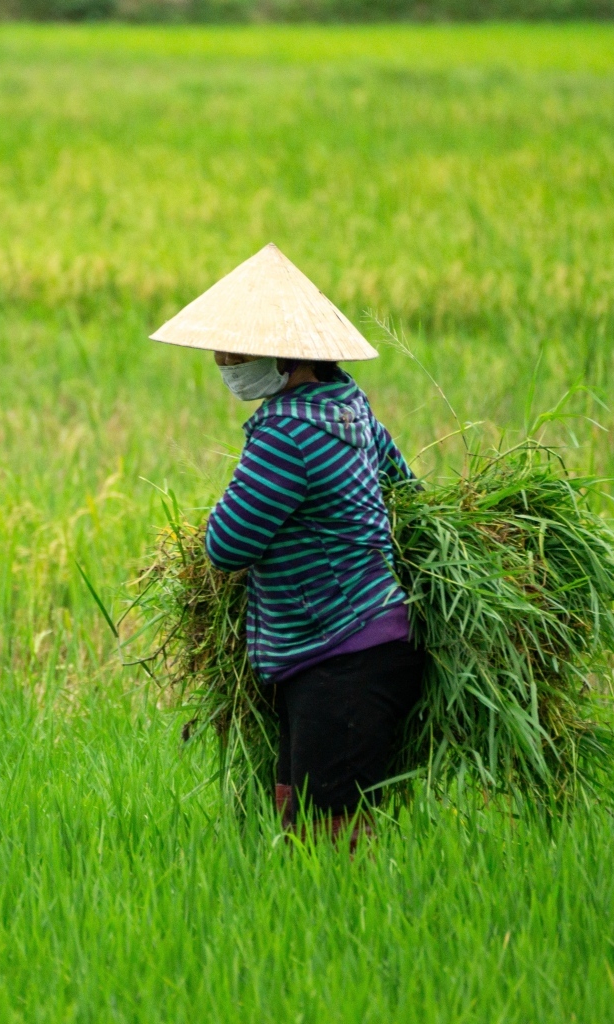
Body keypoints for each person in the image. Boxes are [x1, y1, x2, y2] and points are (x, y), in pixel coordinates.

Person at [150, 243, 425, 850]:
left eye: (236, 349)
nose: (223, 361)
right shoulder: (347, 406)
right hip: (356, 648)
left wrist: (217, 519)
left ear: (286, 355)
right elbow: (407, 489)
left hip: (341, 656)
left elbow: (227, 545)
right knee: (298, 813)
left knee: (325, 837)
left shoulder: (286, 434)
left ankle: (347, 932)